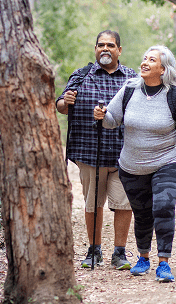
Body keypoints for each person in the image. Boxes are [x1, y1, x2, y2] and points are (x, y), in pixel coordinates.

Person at [94, 45, 176, 282]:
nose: (144, 62)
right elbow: (112, 120)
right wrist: (102, 115)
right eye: (144, 58)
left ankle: (163, 263)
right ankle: (143, 257)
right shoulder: (129, 89)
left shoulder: (175, 95)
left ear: (163, 69)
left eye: (151, 60)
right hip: (132, 167)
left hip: (168, 162)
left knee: (163, 207)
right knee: (143, 213)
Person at [56, 30, 137, 270]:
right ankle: (94, 250)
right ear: (95, 49)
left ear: (119, 50)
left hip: (125, 154)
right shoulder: (81, 76)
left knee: (123, 203)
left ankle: (119, 253)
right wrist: (66, 101)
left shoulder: (132, 78)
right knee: (93, 203)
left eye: (110, 45)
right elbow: (60, 106)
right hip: (90, 153)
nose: (105, 49)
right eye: (100, 45)